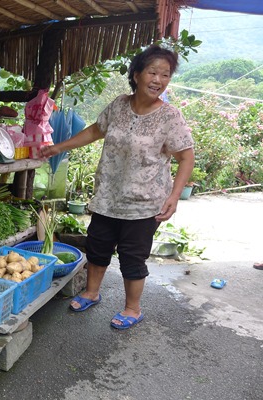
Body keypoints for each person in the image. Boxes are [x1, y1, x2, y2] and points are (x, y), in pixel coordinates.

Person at [40, 44, 195, 330]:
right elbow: (95, 130)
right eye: (152, 72)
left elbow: (186, 156)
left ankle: (132, 309)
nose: (158, 80)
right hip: (108, 196)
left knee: (132, 257)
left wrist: (174, 196)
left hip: (144, 202)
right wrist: (57, 147)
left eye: (165, 74)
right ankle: (91, 292)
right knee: (97, 247)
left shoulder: (170, 116)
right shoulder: (119, 105)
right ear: (136, 74)